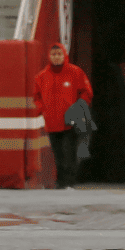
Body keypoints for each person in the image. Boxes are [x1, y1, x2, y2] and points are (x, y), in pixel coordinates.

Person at [34, 43, 93, 189]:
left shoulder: (75, 72)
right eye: (53, 55)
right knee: (58, 154)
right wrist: (42, 111)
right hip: (52, 122)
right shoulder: (42, 76)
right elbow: (37, 97)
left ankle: (70, 182)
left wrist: (79, 107)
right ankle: (61, 183)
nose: (56, 57)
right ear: (49, 56)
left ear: (64, 55)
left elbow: (86, 92)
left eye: (59, 54)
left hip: (70, 121)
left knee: (69, 153)